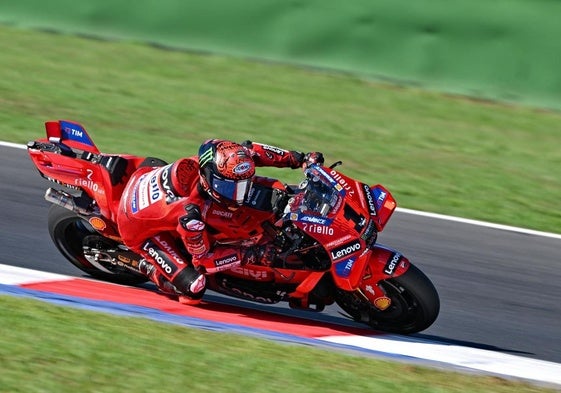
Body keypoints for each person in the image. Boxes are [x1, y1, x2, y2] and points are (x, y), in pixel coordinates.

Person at [116, 138, 324, 304]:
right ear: (209, 179)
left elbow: (253, 151)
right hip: (138, 229)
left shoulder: (222, 162)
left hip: (146, 177)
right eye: (230, 189)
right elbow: (204, 261)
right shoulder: (191, 215)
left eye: (244, 185)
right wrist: (251, 253)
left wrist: (299, 160)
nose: (239, 196)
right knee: (193, 289)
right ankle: (147, 266)